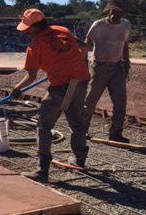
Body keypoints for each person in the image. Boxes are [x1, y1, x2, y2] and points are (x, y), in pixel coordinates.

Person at [12, 9, 90, 182]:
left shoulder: (34, 46)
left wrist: (16, 89)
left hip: (61, 87)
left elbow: (31, 77)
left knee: (43, 126)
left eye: (27, 28)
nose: (25, 31)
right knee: (77, 122)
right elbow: (84, 47)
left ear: (37, 26)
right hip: (80, 81)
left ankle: (42, 170)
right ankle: (79, 159)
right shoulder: (62, 30)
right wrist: (71, 63)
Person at [83, 0, 131, 143]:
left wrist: (127, 62)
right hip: (99, 67)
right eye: (115, 11)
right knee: (90, 101)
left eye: (120, 12)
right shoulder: (98, 25)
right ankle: (81, 131)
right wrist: (82, 62)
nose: (117, 14)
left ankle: (115, 134)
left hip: (117, 67)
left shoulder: (126, 25)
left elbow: (125, 44)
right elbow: (87, 43)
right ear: (110, 10)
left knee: (120, 102)